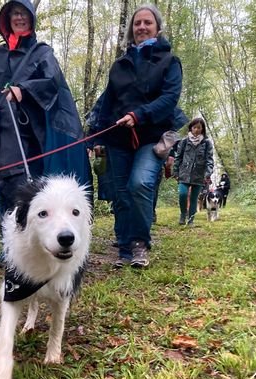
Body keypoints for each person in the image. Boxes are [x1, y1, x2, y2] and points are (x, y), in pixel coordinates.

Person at [0, 0, 92, 265]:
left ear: (31, 18)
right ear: (6, 20)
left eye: (23, 13)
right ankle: (10, 245)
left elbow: (51, 81)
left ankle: (30, 244)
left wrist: (25, 89)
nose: (19, 18)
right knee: (3, 186)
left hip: (31, 137)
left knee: (26, 187)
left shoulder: (41, 52)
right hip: (0, 136)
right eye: (14, 14)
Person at [87, 4, 183, 268]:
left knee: (139, 184)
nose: (141, 27)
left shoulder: (170, 61)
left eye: (147, 23)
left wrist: (139, 115)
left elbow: (170, 99)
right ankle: (125, 249)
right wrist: (93, 138)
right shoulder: (120, 65)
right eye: (137, 23)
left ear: (157, 27)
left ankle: (140, 242)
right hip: (117, 138)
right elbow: (107, 102)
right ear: (132, 29)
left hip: (151, 136)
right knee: (120, 194)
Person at [172, 117, 214, 226]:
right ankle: (183, 214)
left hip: (199, 174)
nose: (196, 130)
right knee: (183, 194)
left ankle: (191, 220)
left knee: (194, 198)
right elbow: (178, 157)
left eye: (199, 128)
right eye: (194, 127)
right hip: (184, 172)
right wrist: (175, 171)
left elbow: (210, 160)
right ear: (191, 128)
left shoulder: (207, 143)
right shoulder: (184, 141)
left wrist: (207, 174)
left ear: (202, 129)